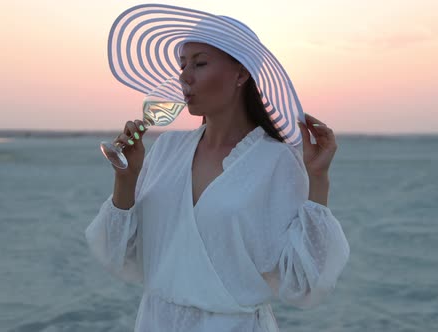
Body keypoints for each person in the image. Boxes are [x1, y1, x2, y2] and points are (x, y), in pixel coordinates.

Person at [85, 4, 350, 331]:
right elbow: (117, 254)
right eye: (182, 65)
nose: (185, 76)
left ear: (241, 73)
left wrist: (318, 179)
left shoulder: (277, 161)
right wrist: (126, 178)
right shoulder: (167, 148)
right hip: (157, 321)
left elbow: (304, 281)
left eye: (199, 63)